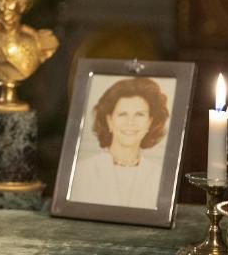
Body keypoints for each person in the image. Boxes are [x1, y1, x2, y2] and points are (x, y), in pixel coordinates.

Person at [67, 77, 170, 209]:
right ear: (109, 120)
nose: (130, 123)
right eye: (122, 114)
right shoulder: (81, 171)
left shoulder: (160, 175)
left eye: (139, 114)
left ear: (150, 122)